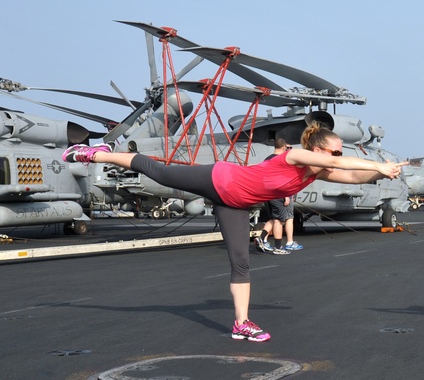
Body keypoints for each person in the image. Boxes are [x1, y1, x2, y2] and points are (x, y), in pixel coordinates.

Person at [62, 122, 406, 342]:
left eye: (340, 152)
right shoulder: (294, 157)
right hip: (219, 179)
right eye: (335, 151)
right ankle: (97, 154)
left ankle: (241, 323)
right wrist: (376, 163)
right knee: (161, 173)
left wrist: (382, 174)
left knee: (241, 263)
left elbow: (352, 176)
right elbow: (341, 164)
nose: (338, 156)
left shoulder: (314, 172)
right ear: (317, 150)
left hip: (235, 205)